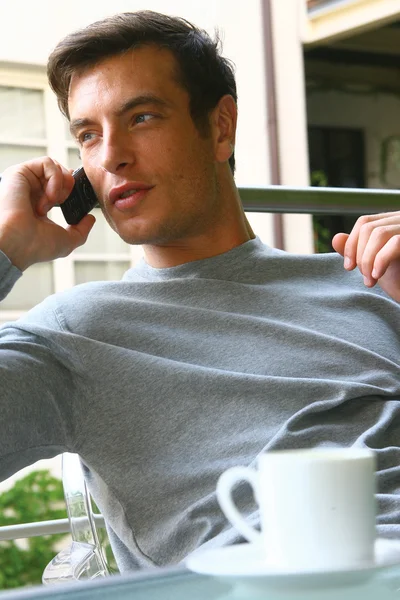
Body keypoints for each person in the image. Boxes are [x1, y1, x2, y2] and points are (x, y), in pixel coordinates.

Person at [0, 10, 399, 573]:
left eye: (141, 117)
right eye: (88, 134)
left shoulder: (369, 282)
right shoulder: (75, 334)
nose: (110, 155)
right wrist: (4, 248)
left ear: (220, 128)